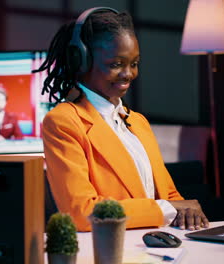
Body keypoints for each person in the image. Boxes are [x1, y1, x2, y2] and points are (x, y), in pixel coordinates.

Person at [33, 7, 209, 232]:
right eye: (116, 64)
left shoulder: (137, 122)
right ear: (81, 61)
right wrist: (167, 209)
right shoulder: (63, 122)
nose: (128, 74)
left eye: (134, 63)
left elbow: (168, 195)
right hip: (110, 247)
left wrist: (189, 214)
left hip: (161, 245)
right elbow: (81, 212)